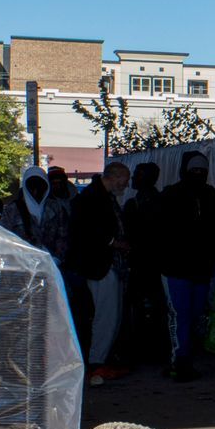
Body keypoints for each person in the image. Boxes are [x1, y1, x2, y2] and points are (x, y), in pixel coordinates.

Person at [154, 151, 215, 382]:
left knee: (193, 316)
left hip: (200, 270)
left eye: (201, 170)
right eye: (194, 170)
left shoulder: (209, 195)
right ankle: (179, 361)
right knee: (180, 316)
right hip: (176, 269)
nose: (198, 174)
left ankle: (185, 358)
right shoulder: (172, 195)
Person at [65, 161, 131, 383]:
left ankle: (100, 359)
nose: (127, 183)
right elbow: (87, 230)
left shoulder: (101, 195)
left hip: (105, 264)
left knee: (110, 314)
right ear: (117, 176)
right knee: (105, 315)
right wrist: (113, 242)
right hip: (99, 265)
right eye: (125, 178)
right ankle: (96, 362)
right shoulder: (93, 198)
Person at [120, 161, 166, 368]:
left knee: (141, 306)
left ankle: (142, 347)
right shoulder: (155, 201)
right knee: (149, 306)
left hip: (144, 263)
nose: (133, 180)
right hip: (150, 262)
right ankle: (152, 348)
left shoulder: (137, 204)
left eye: (138, 175)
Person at [1, 165, 69, 259]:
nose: (36, 191)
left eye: (40, 185)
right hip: (22, 264)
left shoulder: (56, 208)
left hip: (51, 264)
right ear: (26, 186)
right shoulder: (12, 210)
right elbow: (5, 238)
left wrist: (57, 259)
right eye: (32, 185)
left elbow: (63, 236)